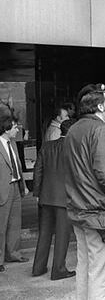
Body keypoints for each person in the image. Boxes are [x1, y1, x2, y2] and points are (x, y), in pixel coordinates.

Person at [65, 83, 105, 300]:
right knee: (103, 276)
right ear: (100, 107)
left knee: (85, 269)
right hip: (100, 213)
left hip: (79, 210)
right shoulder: (100, 130)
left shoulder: (73, 129)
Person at [32, 118, 77, 280]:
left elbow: (38, 171)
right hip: (64, 198)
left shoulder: (46, 146)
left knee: (44, 233)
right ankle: (58, 270)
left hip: (46, 196)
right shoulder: (73, 148)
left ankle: (38, 268)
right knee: (62, 235)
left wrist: (37, 193)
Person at [0, 107, 29, 273]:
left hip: (16, 187)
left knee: (15, 223)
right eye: (15, 127)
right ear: (6, 129)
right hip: (3, 189)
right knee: (1, 225)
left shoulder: (13, 144)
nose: (17, 129)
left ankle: (14, 253)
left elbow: (18, 166)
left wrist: (23, 186)